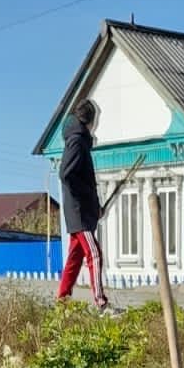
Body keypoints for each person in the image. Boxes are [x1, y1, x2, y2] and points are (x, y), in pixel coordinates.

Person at [56, 98, 110, 312]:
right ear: (92, 121)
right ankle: (101, 303)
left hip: (81, 210)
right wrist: (85, 199)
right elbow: (66, 174)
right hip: (78, 212)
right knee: (95, 254)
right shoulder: (77, 141)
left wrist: (94, 204)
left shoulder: (77, 140)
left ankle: (62, 302)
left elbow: (80, 178)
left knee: (74, 258)